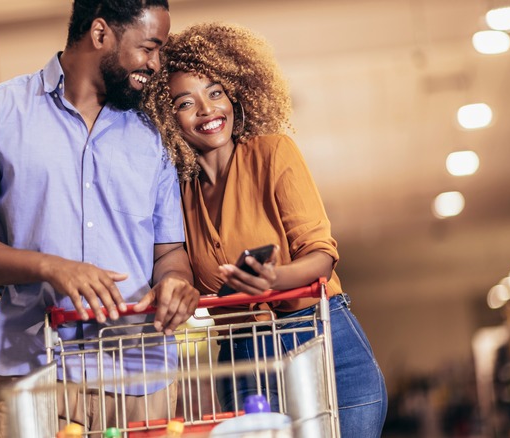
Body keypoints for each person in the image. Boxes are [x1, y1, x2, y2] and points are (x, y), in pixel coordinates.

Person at [0, 1, 199, 436]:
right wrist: (48, 266)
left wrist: (175, 280)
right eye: (149, 48)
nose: (156, 64)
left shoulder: (154, 134)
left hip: (140, 373)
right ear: (99, 34)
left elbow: (169, 251)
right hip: (36, 373)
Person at [142, 22, 388, 436]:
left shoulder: (274, 152)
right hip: (243, 362)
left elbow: (321, 257)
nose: (207, 110)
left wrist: (274, 280)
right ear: (168, 119)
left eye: (215, 92)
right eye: (186, 102)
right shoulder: (178, 194)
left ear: (236, 93)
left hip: (321, 344)